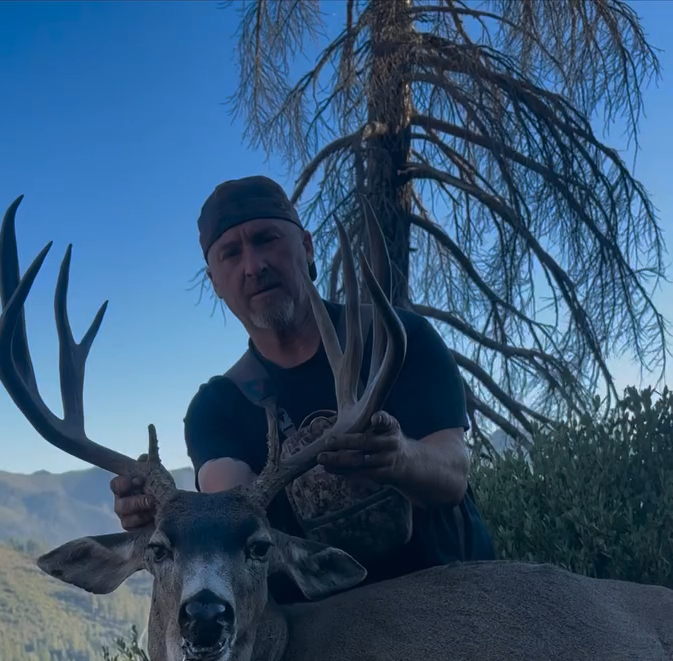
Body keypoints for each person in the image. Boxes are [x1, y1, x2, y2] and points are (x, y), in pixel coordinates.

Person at [112, 176, 495, 595]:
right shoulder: (219, 406)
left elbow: (452, 473)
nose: (254, 265)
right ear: (216, 283)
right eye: (231, 253)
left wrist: (399, 457)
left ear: (307, 247)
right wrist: (164, 513)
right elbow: (230, 498)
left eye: (266, 238)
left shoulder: (397, 339)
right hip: (328, 635)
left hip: (455, 605)